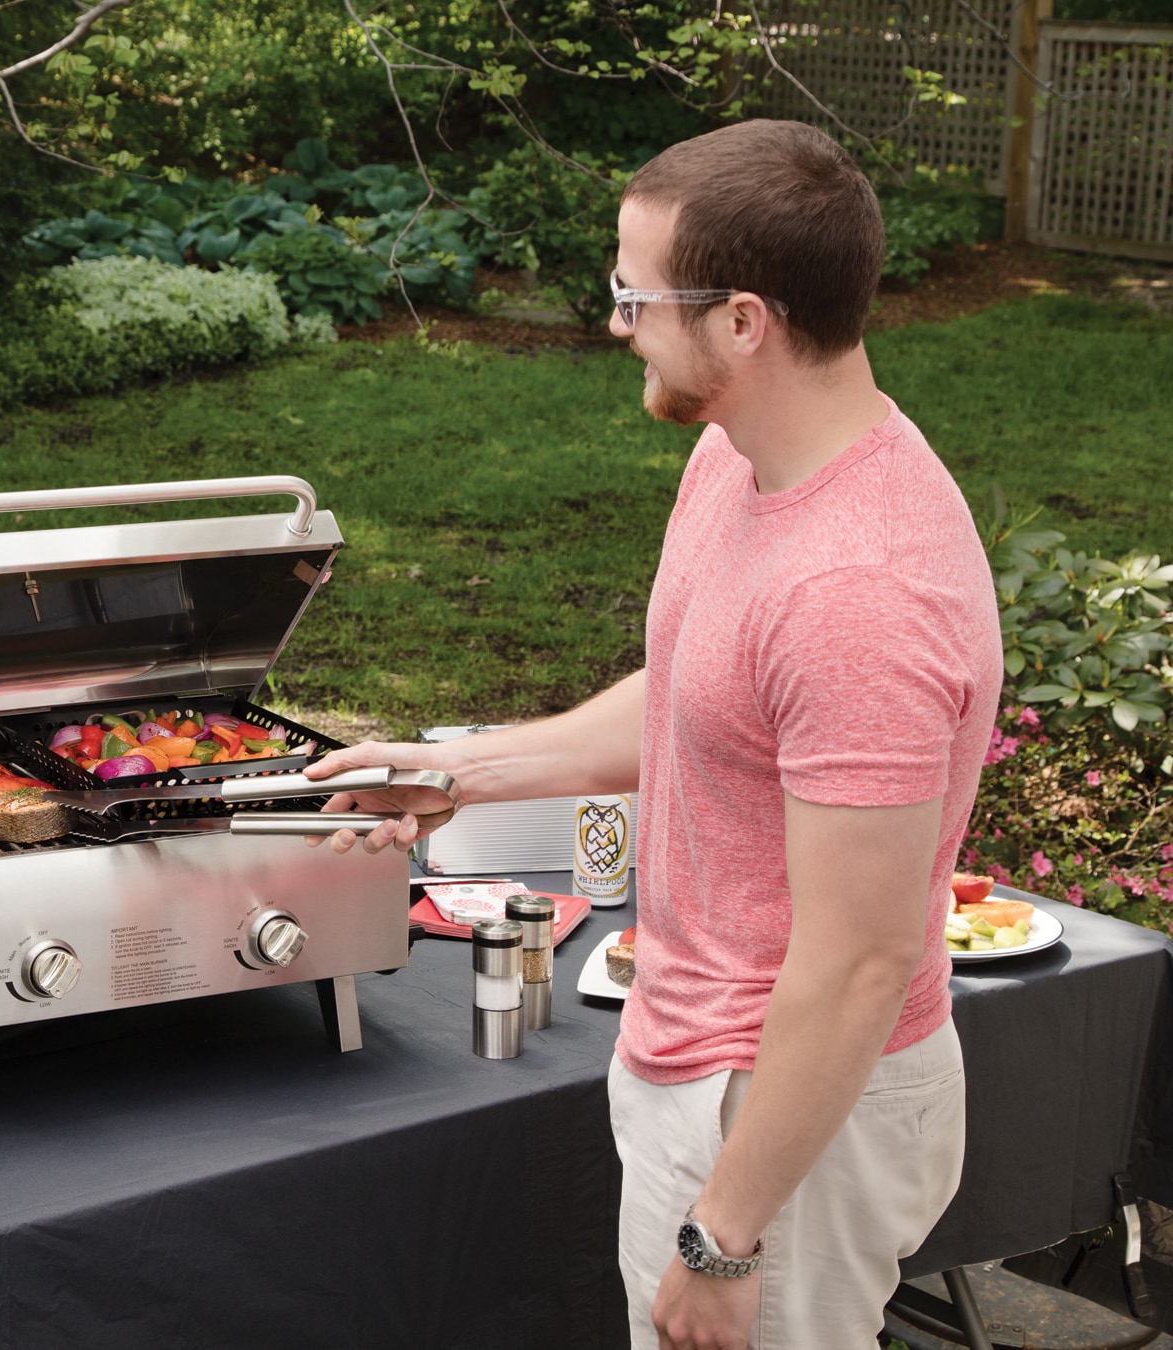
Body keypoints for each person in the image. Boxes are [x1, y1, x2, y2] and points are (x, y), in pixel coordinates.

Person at [309, 119, 1001, 1348]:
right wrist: (450, 771)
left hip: (784, 1113)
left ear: (742, 321)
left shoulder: (860, 595)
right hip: (702, 1059)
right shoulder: (738, 460)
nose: (614, 321)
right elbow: (696, 692)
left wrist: (722, 1233)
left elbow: (860, 960)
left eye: (633, 296)